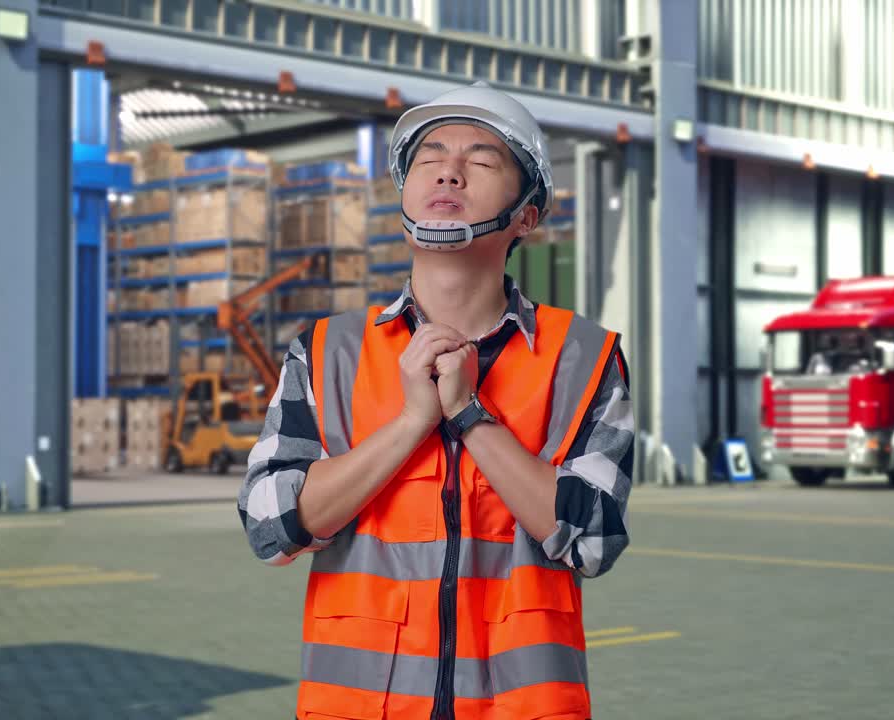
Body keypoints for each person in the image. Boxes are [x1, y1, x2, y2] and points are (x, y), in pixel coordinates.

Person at [239, 82, 634, 720]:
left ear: (526, 217)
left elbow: (592, 541)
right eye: (429, 157)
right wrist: (411, 422)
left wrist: (471, 417)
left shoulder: (583, 358)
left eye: (481, 160)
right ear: (405, 195)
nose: (448, 170)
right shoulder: (325, 352)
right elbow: (270, 527)